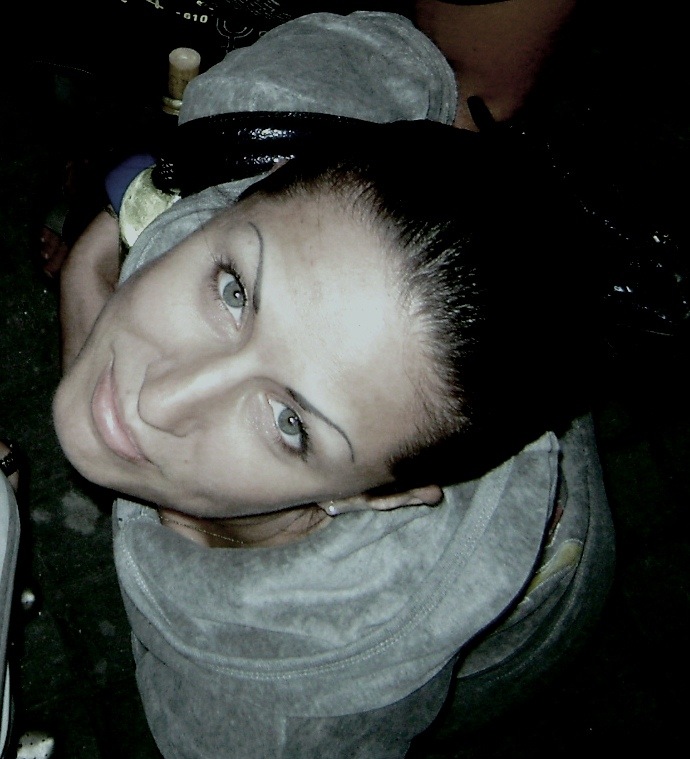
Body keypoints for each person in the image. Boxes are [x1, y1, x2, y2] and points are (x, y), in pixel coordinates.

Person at [52, 11, 613, 758]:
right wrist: (111, 229)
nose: (158, 400)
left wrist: (93, 272)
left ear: (377, 496)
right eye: (234, 291)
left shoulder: (272, 723)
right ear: (253, 187)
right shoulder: (284, 111)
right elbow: (387, 66)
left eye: (292, 424)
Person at [37, 0, 579, 275]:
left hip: (297, 134)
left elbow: (470, 96)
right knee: (92, 125)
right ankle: (93, 194)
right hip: (118, 60)